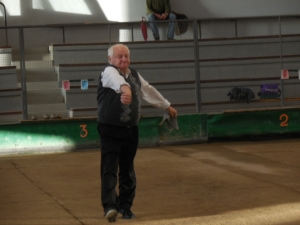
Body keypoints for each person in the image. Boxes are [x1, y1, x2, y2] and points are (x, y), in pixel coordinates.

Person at [97, 43, 177, 223]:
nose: (124, 59)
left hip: (131, 130)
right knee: (109, 168)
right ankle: (110, 207)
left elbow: (147, 90)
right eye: (119, 56)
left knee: (128, 169)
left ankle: (125, 207)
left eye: (126, 56)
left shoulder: (134, 74)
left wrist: (167, 106)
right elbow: (118, 82)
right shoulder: (108, 72)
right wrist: (125, 90)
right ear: (110, 59)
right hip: (109, 129)